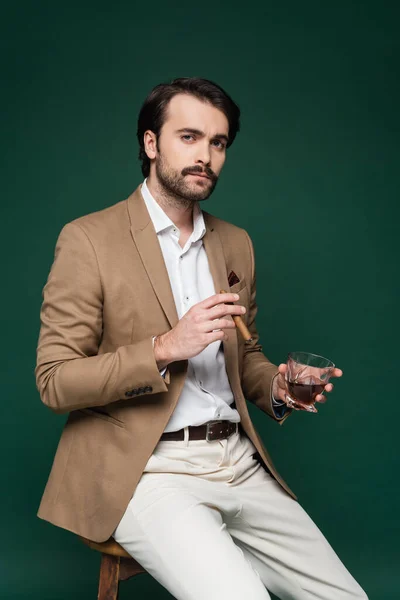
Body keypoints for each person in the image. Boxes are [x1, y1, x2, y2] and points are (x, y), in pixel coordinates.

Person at [36, 77, 367, 599]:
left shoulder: (235, 244)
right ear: (151, 144)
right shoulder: (88, 241)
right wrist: (165, 348)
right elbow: (55, 381)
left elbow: (245, 354)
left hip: (237, 462)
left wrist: (278, 386)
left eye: (218, 143)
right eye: (189, 137)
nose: (206, 156)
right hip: (148, 473)